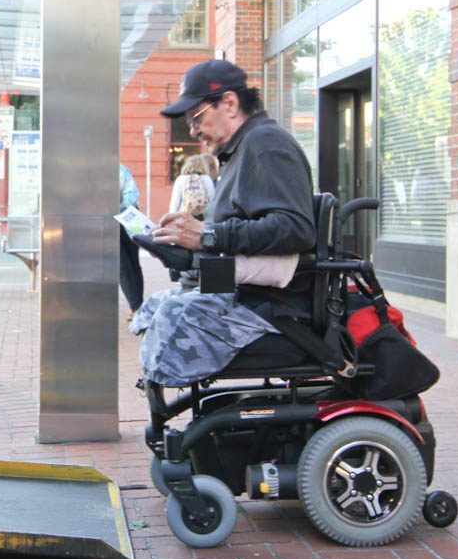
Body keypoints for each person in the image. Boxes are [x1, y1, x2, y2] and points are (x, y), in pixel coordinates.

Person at [130, 59, 316, 385]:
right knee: (155, 308)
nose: (193, 131)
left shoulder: (265, 144)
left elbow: (295, 228)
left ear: (229, 103)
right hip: (242, 295)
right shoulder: (240, 151)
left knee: (169, 323)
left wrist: (208, 235)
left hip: (269, 307)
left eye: (197, 117)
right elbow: (241, 224)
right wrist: (190, 230)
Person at [118, 163, 144, 311]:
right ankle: (138, 306)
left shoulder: (117, 170)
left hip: (119, 219)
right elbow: (132, 195)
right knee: (133, 264)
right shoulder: (122, 169)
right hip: (130, 220)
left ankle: (136, 307)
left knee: (124, 267)